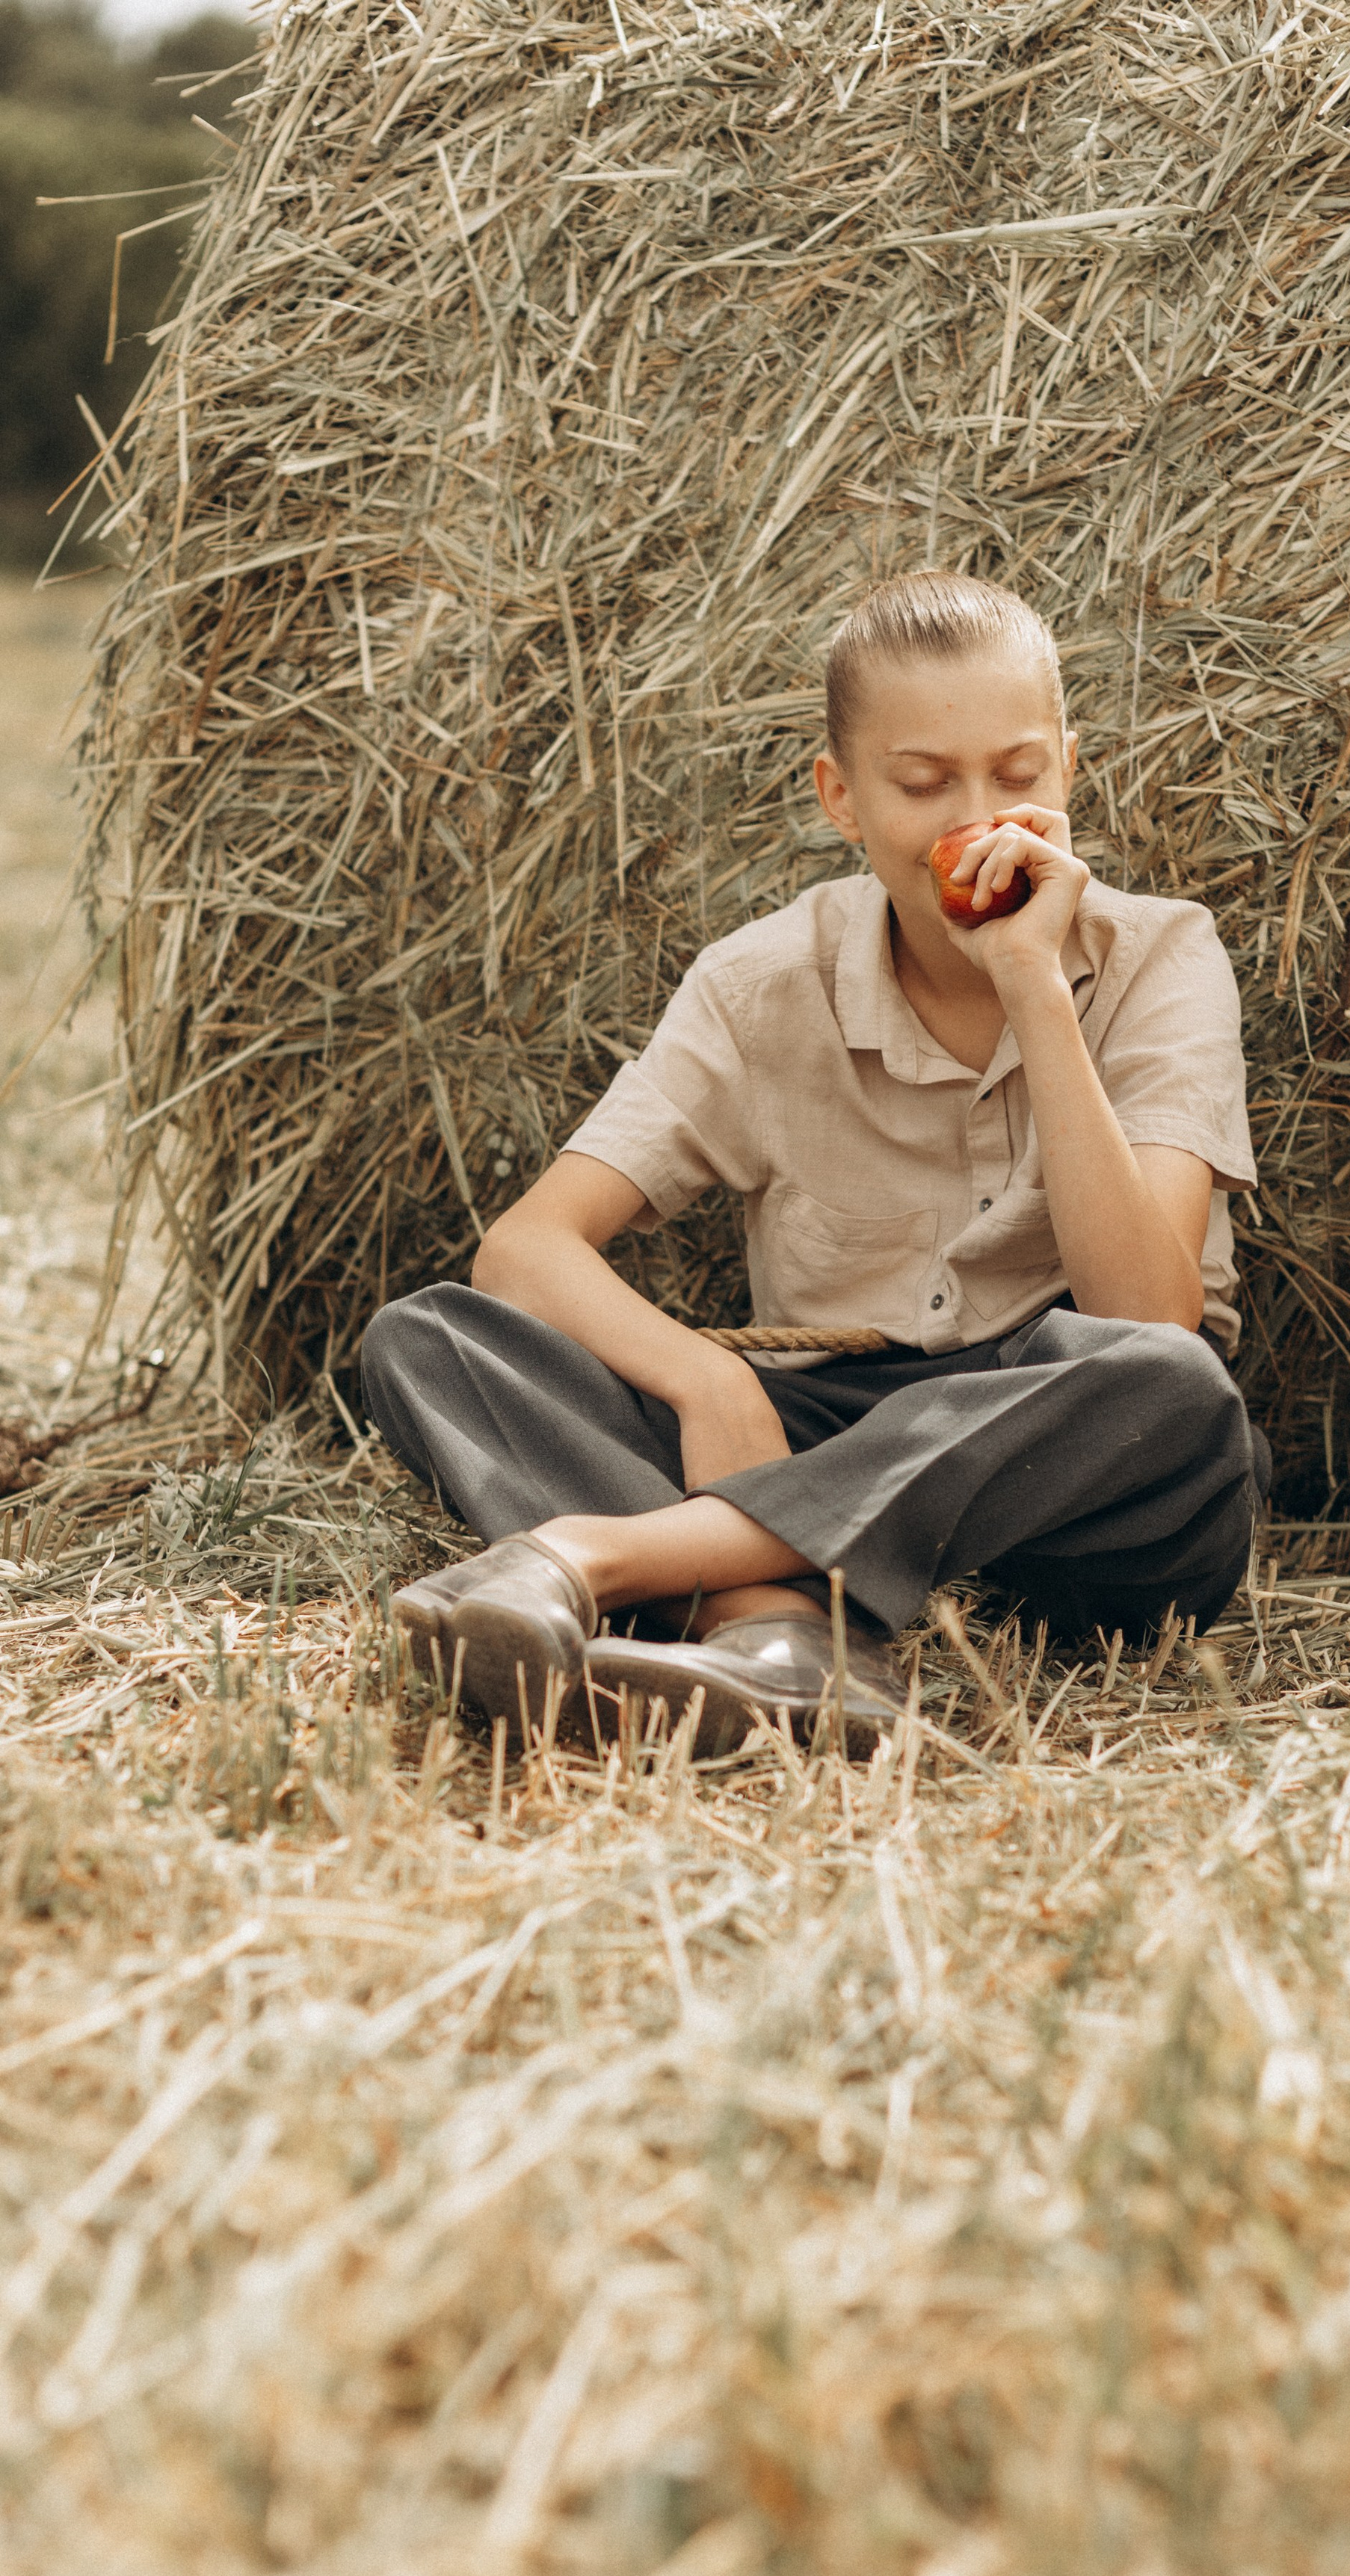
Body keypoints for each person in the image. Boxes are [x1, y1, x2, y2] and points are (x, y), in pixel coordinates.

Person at [361, 572, 1268, 1755]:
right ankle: (786, 1640)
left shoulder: (1162, 956)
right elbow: (527, 1246)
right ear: (840, 797)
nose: (980, 818)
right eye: (923, 782)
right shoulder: (762, 983)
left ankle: (596, 1562)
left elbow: (1147, 1312)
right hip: (825, 1426)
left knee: (1174, 1387)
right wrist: (709, 1383)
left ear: (1070, 769)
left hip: (1073, 1467)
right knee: (431, 1338)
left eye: (1018, 773)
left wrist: (1034, 986)